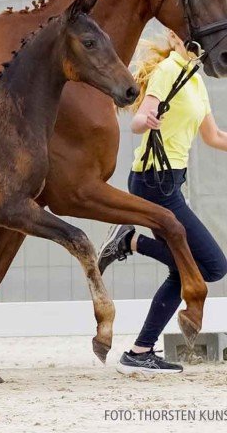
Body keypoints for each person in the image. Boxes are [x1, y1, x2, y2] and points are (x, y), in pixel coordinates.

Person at [98, 30, 227, 374]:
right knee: (213, 266)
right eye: (186, 37)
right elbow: (139, 121)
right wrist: (146, 120)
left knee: (181, 270)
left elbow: (212, 136)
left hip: (170, 181)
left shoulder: (194, 80)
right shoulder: (169, 70)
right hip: (155, 181)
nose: (193, 43)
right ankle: (130, 241)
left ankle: (139, 352)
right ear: (173, 38)